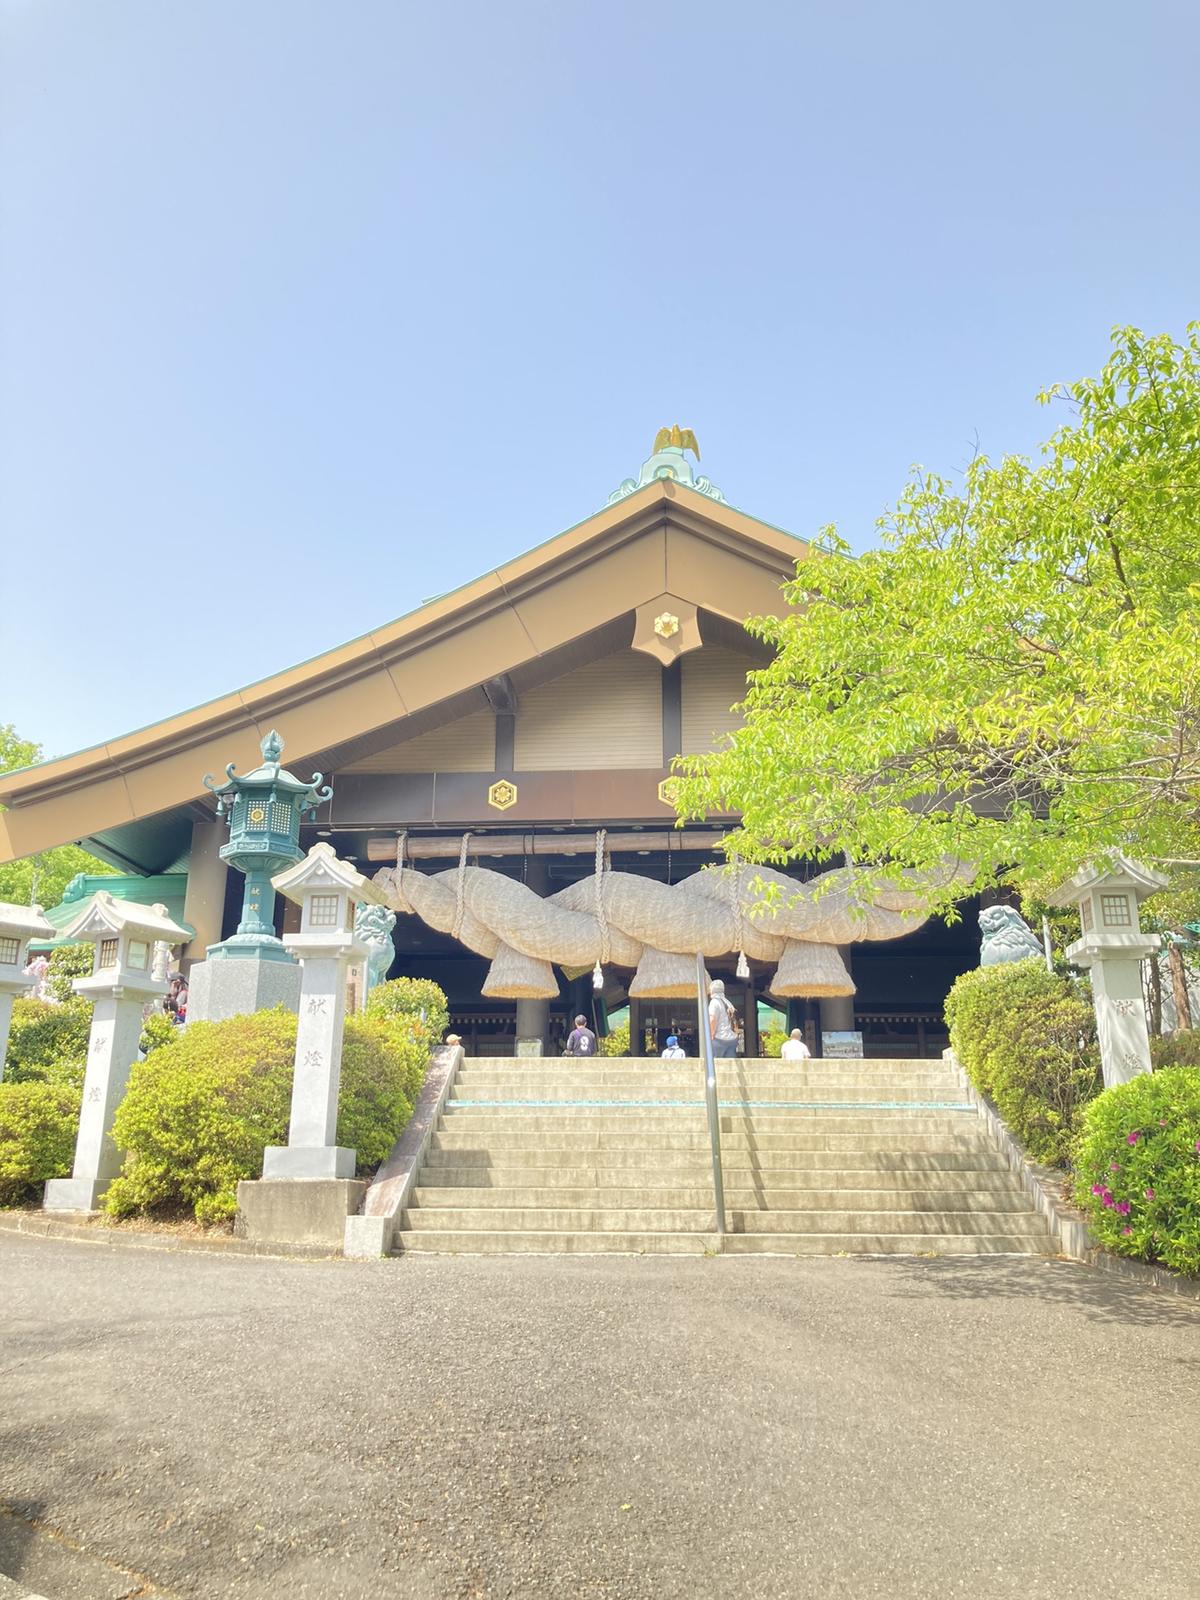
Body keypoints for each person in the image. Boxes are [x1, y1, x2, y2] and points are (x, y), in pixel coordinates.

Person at [707, 979, 739, 1058]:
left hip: (719, 1039)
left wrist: (711, 1035)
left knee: (715, 1065)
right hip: (732, 1039)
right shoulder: (728, 1002)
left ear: (712, 990)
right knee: (729, 1067)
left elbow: (712, 1019)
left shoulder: (714, 1002)